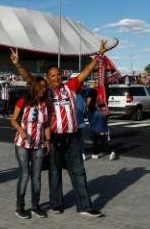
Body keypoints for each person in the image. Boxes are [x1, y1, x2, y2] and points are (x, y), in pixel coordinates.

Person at [10, 40, 108, 217]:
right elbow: (28, 78)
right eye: (53, 75)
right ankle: (56, 204)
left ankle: (85, 206)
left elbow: (85, 72)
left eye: (59, 75)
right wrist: (18, 64)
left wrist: (99, 55)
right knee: (54, 172)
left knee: (78, 171)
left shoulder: (70, 87)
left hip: (73, 136)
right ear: (47, 78)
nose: (57, 78)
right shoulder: (44, 92)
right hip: (54, 137)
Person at [10, 77, 51, 219]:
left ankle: (35, 206)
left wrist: (48, 141)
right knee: (25, 175)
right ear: (34, 87)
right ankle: (19, 207)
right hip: (23, 144)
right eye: (41, 86)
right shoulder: (23, 101)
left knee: (37, 177)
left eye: (45, 87)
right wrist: (21, 130)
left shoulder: (45, 105)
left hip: (39, 144)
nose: (44, 89)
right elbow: (13, 120)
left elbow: (46, 125)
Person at [87, 90, 116, 161]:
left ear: (97, 106)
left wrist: (91, 124)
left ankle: (97, 153)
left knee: (96, 142)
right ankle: (98, 153)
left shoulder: (96, 113)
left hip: (97, 130)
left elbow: (93, 122)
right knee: (102, 142)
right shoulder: (104, 113)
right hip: (104, 130)